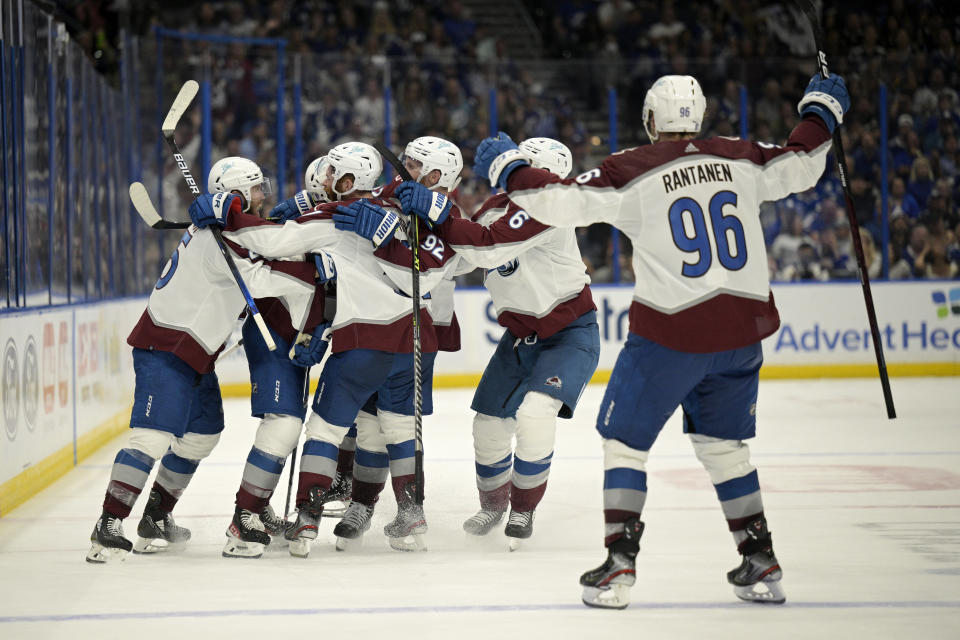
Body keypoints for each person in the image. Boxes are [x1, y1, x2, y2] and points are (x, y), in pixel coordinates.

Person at [471, 73, 848, 607]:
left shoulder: (632, 169)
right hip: (743, 333)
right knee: (724, 448)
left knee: (625, 444)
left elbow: (557, 203)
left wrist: (505, 165)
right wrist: (822, 108)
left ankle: (618, 567)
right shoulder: (741, 156)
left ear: (650, 120)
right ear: (700, 116)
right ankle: (759, 559)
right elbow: (803, 162)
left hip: (673, 330)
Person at [189, 142, 456, 557]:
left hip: (364, 341)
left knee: (324, 430)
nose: (324, 181)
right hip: (415, 340)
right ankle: (410, 513)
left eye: (332, 174)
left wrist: (227, 214)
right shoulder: (403, 210)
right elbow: (432, 265)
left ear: (349, 182)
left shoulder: (337, 215)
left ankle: (308, 518)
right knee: (399, 428)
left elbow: (268, 241)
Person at [87, 157, 317, 563]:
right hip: (169, 348)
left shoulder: (221, 231)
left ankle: (155, 517)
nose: (263, 196)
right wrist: (317, 270)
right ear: (239, 194)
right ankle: (108, 524)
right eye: (256, 189)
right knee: (153, 438)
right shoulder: (219, 239)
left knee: (202, 434)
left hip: (193, 354)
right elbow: (262, 280)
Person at [395, 137, 600, 549]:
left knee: (537, 413)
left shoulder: (550, 210)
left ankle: (523, 506)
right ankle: (495, 503)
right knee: (487, 426)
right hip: (520, 338)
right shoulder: (494, 210)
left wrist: (436, 211)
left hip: (570, 331)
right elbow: (461, 255)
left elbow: (487, 249)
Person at [330, 135, 464, 551]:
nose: (400, 165)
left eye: (412, 162)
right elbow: (347, 201)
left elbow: (431, 264)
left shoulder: (449, 216)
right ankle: (363, 504)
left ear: (437, 173)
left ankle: (410, 508)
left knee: (400, 420)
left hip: (421, 327)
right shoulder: (393, 194)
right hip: (380, 321)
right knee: (369, 421)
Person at [221, 156, 336, 559]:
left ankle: (258, 505)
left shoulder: (330, 221)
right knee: (284, 426)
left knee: (291, 427)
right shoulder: (285, 229)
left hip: (296, 340)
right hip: (273, 338)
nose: (263, 196)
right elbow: (266, 269)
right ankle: (244, 516)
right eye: (255, 189)